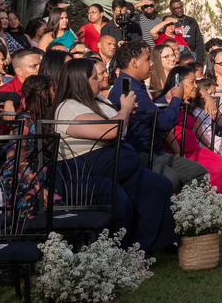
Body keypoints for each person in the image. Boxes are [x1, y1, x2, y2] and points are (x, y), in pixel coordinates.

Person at [50, 58, 178, 253]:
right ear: (80, 82)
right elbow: (110, 131)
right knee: (120, 200)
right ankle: (119, 252)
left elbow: (115, 124)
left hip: (117, 168)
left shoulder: (99, 100)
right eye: (94, 77)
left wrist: (126, 115)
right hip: (84, 173)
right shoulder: (67, 108)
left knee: (159, 186)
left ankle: (148, 246)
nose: (101, 80)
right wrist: (124, 110)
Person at [109, 40, 209, 192]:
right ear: (134, 62)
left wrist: (167, 99)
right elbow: (163, 122)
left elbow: (152, 112)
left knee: (199, 173)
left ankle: (185, 212)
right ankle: (175, 213)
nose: (152, 63)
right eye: (147, 59)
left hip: (155, 151)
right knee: (170, 180)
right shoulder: (128, 89)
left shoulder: (133, 85)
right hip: (140, 153)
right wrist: (176, 98)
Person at [171, 65, 222, 193]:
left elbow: (201, 90)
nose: (196, 86)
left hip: (195, 150)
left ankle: (220, 205)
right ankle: (206, 205)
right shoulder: (171, 101)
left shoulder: (189, 98)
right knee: (210, 170)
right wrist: (180, 156)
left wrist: (208, 98)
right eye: (193, 82)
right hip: (180, 152)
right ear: (179, 84)